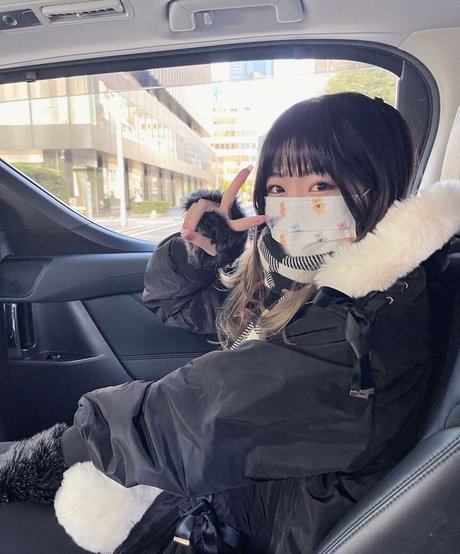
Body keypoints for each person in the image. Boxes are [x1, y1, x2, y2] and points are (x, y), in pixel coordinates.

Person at [1, 92, 460, 554]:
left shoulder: (358, 331)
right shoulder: (308, 286)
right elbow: (177, 304)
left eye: (321, 185)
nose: (295, 204)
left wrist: (47, 457)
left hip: (255, 533)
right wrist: (208, 248)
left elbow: (190, 416)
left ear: (378, 191)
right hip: (240, 503)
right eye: (278, 188)